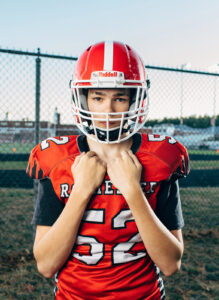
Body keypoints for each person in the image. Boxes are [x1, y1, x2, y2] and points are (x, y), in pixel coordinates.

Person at [26, 41, 189, 299]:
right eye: (98, 97)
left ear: (136, 100)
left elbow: (170, 264)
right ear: (83, 98)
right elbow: (45, 265)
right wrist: (80, 192)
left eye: (120, 98)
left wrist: (134, 193)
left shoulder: (160, 158)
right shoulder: (57, 160)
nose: (108, 111)